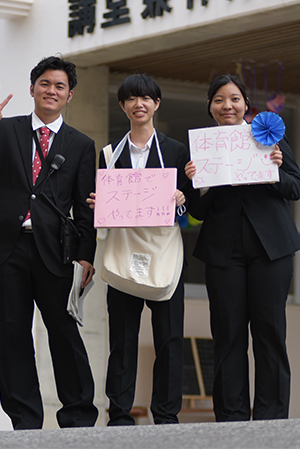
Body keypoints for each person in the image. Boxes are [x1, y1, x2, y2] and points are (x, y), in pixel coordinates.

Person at [0, 56, 98, 430]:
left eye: (60, 86)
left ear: (70, 95)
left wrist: (85, 257)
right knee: (13, 333)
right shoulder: (5, 130)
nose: (52, 91)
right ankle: (25, 421)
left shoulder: (81, 144)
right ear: (33, 88)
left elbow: (85, 207)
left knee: (64, 333)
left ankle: (79, 416)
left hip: (56, 251)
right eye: (45, 84)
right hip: (6, 249)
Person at [185, 74, 300, 421]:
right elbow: (196, 211)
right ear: (210, 106)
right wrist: (195, 182)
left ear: (245, 104)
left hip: (271, 249)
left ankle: (271, 417)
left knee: (269, 333)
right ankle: (231, 418)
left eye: (234, 99)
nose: (227, 106)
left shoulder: (267, 135)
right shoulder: (202, 147)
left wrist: (277, 170)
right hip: (224, 252)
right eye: (219, 99)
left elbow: (296, 188)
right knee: (228, 335)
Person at [87, 74, 192, 426]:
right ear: (122, 105)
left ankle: (166, 415)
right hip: (123, 253)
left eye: (146, 98)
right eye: (131, 98)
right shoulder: (108, 155)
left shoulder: (177, 151)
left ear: (157, 104)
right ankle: (119, 414)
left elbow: (189, 211)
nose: (139, 104)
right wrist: (97, 204)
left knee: (170, 339)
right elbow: (103, 210)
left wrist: (182, 198)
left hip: (164, 255)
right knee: (122, 339)